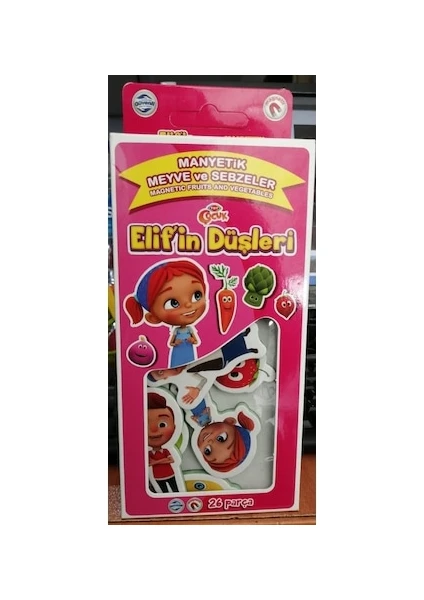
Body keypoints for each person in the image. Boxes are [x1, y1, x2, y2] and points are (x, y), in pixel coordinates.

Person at [124, 260, 208, 367]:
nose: (188, 305)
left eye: (197, 295)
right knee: (177, 365)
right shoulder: (176, 331)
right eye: (173, 303)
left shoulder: (189, 330)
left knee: (191, 366)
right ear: (153, 318)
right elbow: (171, 343)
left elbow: (195, 341)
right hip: (178, 351)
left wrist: (192, 340)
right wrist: (175, 343)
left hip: (189, 350)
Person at [147, 392, 180, 493]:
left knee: (176, 490)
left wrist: (156, 462)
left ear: (174, 427)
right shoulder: (149, 453)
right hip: (157, 477)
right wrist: (164, 460)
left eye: (162, 424)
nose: (153, 430)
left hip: (170, 474)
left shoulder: (166, 450)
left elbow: (171, 460)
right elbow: (149, 463)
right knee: (163, 492)